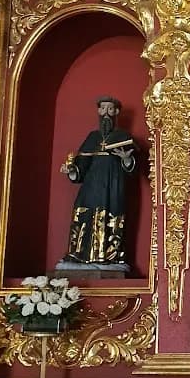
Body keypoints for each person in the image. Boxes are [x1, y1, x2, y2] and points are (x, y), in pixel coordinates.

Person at [60, 96, 136, 265]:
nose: (106, 113)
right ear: (99, 111)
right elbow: (81, 165)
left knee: (111, 220)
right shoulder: (92, 137)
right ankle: (79, 254)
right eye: (103, 109)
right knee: (84, 216)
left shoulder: (123, 136)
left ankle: (110, 256)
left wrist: (126, 159)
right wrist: (72, 170)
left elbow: (132, 168)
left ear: (116, 112)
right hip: (91, 188)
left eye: (111, 109)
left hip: (112, 187)